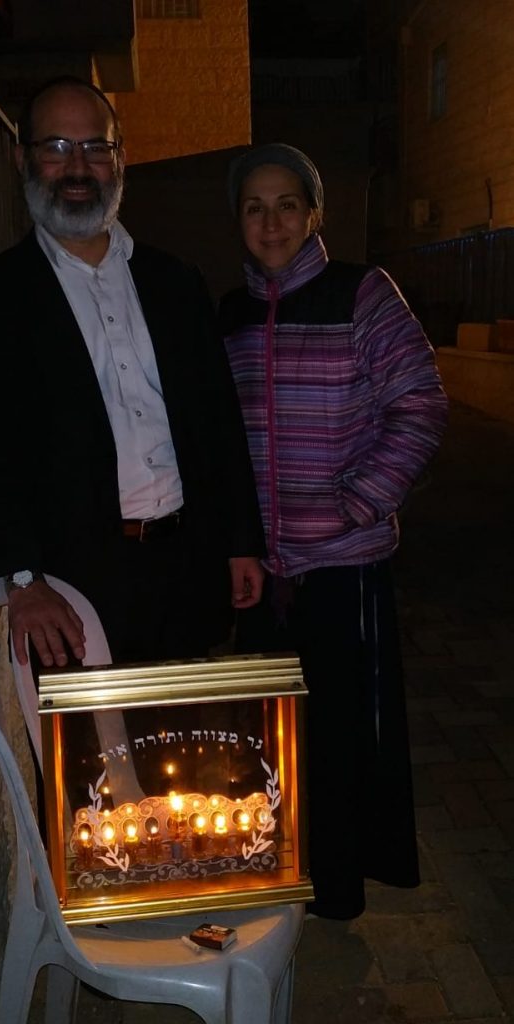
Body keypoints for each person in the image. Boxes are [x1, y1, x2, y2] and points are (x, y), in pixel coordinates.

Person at [0, 76, 264, 671]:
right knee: (94, 758)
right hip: (70, 589)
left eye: (95, 147)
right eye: (56, 147)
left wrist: (242, 542)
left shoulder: (178, 282)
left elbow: (218, 422)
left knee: (191, 751)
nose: (77, 166)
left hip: (186, 567)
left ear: (122, 157)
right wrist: (22, 578)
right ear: (23, 157)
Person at [219, 143, 448, 920]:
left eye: (287, 204)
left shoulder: (363, 294)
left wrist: (357, 502)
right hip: (260, 572)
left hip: (343, 562)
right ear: (238, 221)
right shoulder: (230, 314)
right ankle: (273, 875)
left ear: (313, 214)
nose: (271, 220)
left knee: (343, 735)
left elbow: (418, 406)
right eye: (254, 206)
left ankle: (336, 889)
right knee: (268, 738)